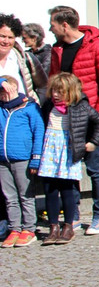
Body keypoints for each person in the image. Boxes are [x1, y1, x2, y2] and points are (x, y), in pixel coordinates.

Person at [48, 5, 99, 236]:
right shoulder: (57, 49)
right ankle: (73, 215)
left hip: (87, 117)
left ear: (64, 25)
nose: (50, 28)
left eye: (53, 24)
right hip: (63, 120)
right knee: (69, 169)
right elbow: (53, 81)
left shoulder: (96, 46)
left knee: (95, 169)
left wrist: (98, 115)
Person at [37, 72, 99, 245]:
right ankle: (53, 227)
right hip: (49, 151)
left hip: (67, 151)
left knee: (67, 189)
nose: (55, 95)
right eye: (53, 91)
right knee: (50, 190)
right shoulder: (48, 106)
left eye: (60, 91)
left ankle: (68, 226)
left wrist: (93, 143)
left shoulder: (79, 106)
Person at [0, 76, 44, 248]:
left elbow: (38, 133)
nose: (3, 96)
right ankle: (15, 228)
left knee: (25, 195)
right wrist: (1, 81)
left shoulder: (30, 108)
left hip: (22, 158)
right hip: (3, 160)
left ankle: (29, 228)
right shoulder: (1, 109)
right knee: (9, 197)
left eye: (6, 92)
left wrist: (35, 159)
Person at [0, 14, 46, 105]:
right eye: (2, 36)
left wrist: (35, 105)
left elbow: (44, 86)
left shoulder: (25, 59)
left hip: (21, 114)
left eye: (10, 37)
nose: (6, 41)